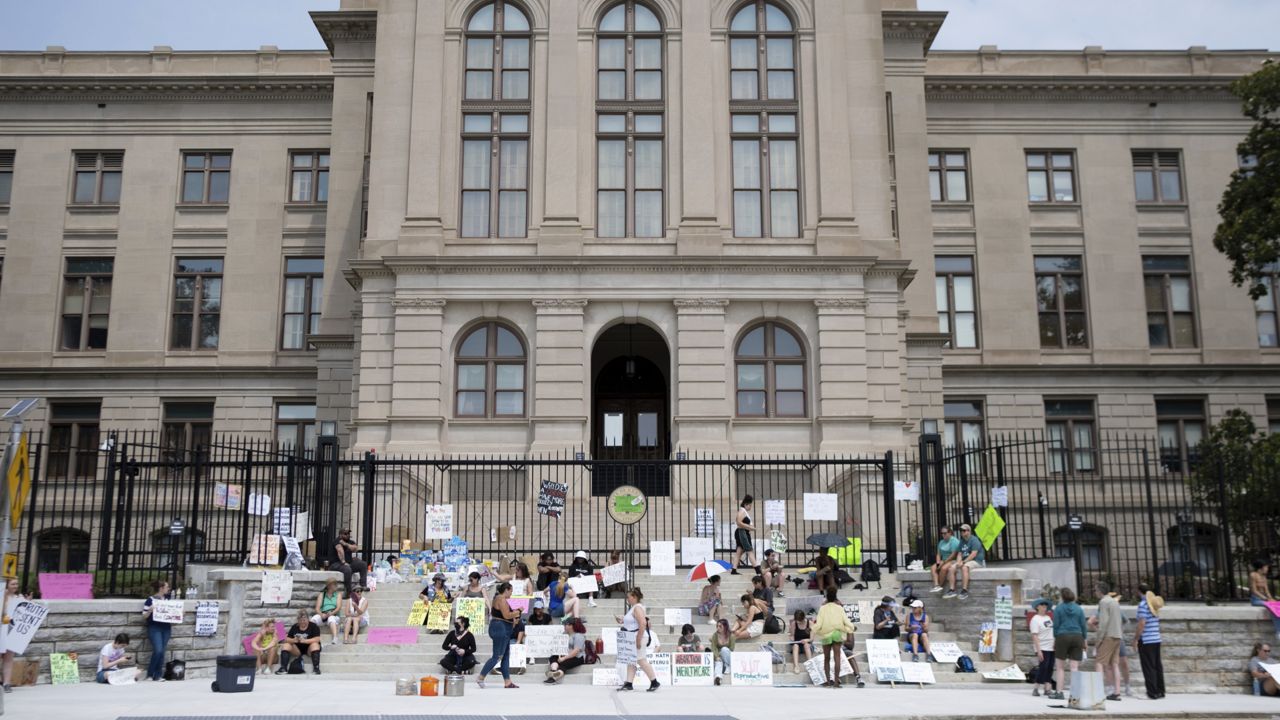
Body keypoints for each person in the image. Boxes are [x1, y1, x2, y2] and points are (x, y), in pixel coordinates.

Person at [477, 581, 521, 689]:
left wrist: (514, 620)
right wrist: (518, 611)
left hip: (504, 628)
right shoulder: (500, 599)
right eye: (511, 591)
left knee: (505, 656)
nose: (511, 594)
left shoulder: (503, 599)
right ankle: (481, 677)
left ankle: (507, 682)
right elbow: (506, 615)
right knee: (497, 656)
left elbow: (506, 616)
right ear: (506, 590)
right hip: (500, 628)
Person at [614, 587, 660, 692]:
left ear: (634, 597)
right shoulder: (634, 608)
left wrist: (638, 640)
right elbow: (633, 622)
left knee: (641, 660)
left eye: (628, 597)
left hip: (638, 636)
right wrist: (622, 620)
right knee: (631, 661)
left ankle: (654, 681)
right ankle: (629, 683)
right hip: (632, 636)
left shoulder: (637, 608)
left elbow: (643, 624)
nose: (627, 599)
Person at [1047, 588, 1086, 701]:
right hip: (1077, 636)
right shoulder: (1079, 609)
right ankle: (1075, 694)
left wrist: (1055, 638)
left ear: (1062, 597)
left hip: (1062, 636)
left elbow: (1056, 625)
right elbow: (1083, 625)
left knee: (1060, 667)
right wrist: (1084, 639)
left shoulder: (1058, 609)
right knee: (1074, 667)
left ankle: (1059, 692)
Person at [813, 586, 856, 688]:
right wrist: (851, 628)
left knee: (826, 659)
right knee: (837, 658)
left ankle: (828, 681)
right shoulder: (839, 608)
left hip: (826, 635)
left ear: (827, 597)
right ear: (836, 596)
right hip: (837, 634)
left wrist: (812, 629)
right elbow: (846, 621)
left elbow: (819, 624)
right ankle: (836, 682)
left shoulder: (822, 608)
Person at [1089, 582, 1123, 701]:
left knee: (1099, 662)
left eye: (1095, 590)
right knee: (1114, 664)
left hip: (1108, 635)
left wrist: (1098, 641)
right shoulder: (1114, 601)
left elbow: (1103, 623)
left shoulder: (1103, 602)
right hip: (1118, 635)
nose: (1095, 592)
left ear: (1100, 591)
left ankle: (1098, 691)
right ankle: (1117, 692)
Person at [1134, 583, 1165, 700]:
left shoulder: (1143, 604)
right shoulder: (1153, 604)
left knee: (1148, 666)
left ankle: (1152, 692)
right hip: (1156, 638)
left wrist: (1136, 639)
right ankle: (1160, 691)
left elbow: (1142, 623)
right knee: (1157, 666)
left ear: (1139, 591)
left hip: (1147, 640)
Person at [2, 578, 31, 692]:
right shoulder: (2, 597)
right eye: (13, 584)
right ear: (7, 585)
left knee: (9, 658)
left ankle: (6, 683)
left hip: (11, 631)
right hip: (2, 630)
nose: (15, 586)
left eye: (17, 584)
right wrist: (4, 597)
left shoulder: (19, 598)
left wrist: (28, 601)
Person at [141, 579, 173, 681]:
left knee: (162, 651)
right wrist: (150, 610)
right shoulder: (150, 600)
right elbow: (144, 616)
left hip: (166, 628)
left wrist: (180, 614)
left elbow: (172, 614)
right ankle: (150, 674)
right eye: (167, 587)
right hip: (154, 627)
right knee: (158, 650)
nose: (168, 589)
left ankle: (158, 675)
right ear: (161, 588)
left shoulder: (168, 600)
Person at [943, 523, 984, 600]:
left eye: (964, 530)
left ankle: (964, 590)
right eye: (961, 531)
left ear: (969, 531)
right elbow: (959, 554)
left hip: (976, 561)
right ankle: (952, 590)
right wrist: (958, 562)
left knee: (964, 567)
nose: (962, 532)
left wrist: (964, 562)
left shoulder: (974, 540)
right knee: (951, 568)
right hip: (965, 561)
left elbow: (973, 554)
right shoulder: (962, 541)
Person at [277, 610, 323, 675]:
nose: (302, 622)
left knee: (315, 645)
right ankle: (283, 668)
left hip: (309, 649)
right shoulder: (295, 627)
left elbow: (317, 639)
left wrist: (305, 641)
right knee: (286, 645)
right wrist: (293, 640)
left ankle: (316, 668)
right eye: (300, 620)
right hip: (297, 649)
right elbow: (286, 639)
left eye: (304, 620)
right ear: (298, 620)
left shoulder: (313, 626)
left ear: (308, 619)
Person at [544, 618, 588, 684]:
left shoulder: (578, 636)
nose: (564, 626)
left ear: (571, 626)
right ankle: (553, 670)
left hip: (577, 657)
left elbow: (576, 651)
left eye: (565, 625)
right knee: (553, 657)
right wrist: (559, 655)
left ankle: (553, 678)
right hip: (565, 654)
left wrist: (564, 658)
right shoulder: (564, 634)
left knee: (563, 663)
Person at [1027, 599, 1055, 697]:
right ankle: (1036, 688)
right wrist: (1038, 651)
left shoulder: (1048, 617)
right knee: (1043, 667)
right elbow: (1035, 636)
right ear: (1037, 607)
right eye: (1042, 604)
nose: (1044, 606)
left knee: (1050, 668)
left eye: (1045, 605)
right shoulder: (1035, 619)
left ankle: (1047, 688)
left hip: (1052, 646)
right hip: (1043, 647)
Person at [331, 528, 368, 595]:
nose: (347, 535)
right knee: (347, 569)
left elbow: (356, 549)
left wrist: (345, 544)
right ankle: (349, 591)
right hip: (337, 564)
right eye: (345, 534)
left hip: (349, 562)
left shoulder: (349, 541)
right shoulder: (337, 541)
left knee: (363, 564)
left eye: (348, 533)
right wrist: (344, 562)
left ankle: (363, 585)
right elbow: (340, 551)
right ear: (340, 534)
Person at [1250, 559, 1280, 639]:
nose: (1267, 569)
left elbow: (1266, 590)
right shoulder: (1253, 575)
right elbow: (1254, 590)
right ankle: (1278, 632)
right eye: (1266, 567)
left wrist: (1271, 598)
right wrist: (1266, 599)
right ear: (1260, 568)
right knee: (1273, 608)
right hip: (1256, 599)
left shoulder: (1264, 577)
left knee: (1278, 605)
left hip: (1265, 599)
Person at [732, 495, 758, 574]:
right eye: (749, 505)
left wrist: (749, 528)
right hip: (742, 533)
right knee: (750, 551)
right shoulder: (742, 511)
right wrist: (750, 528)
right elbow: (739, 522)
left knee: (739, 552)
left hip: (743, 532)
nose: (750, 507)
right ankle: (758, 570)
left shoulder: (744, 511)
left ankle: (734, 569)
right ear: (746, 504)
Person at [312, 578, 343, 645]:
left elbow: (338, 607)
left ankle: (335, 637)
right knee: (314, 619)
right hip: (323, 614)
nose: (336, 586)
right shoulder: (322, 594)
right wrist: (321, 614)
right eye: (334, 584)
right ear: (329, 586)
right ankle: (311, 636)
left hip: (334, 614)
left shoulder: (338, 594)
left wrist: (331, 613)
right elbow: (317, 608)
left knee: (331, 619)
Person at [929, 526, 960, 593]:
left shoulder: (954, 541)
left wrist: (943, 563)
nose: (943, 535)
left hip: (952, 560)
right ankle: (936, 585)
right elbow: (938, 554)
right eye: (942, 533)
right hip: (944, 560)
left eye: (945, 533)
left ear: (950, 533)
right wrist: (938, 563)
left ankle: (940, 585)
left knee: (943, 568)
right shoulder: (941, 542)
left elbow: (953, 555)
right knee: (933, 568)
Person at [710, 618, 734, 686]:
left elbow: (732, 648)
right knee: (718, 662)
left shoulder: (731, 635)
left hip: (728, 656)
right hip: (719, 656)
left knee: (724, 649)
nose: (718, 628)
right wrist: (717, 656)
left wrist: (721, 654)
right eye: (717, 626)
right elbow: (713, 647)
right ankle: (718, 678)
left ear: (725, 627)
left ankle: (727, 666)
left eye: (720, 626)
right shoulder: (715, 635)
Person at [789, 609, 813, 674]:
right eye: (797, 621)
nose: (798, 622)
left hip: (807, 643)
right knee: (795, 646)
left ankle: (810, 664)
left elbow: (811, 638)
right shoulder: (794, 623)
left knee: (806, 645)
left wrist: (806, 640)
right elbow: (792, 636)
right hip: (797, 643)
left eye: (800, 621)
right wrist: (792, 639)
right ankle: (796, 666)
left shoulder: (810, 623)